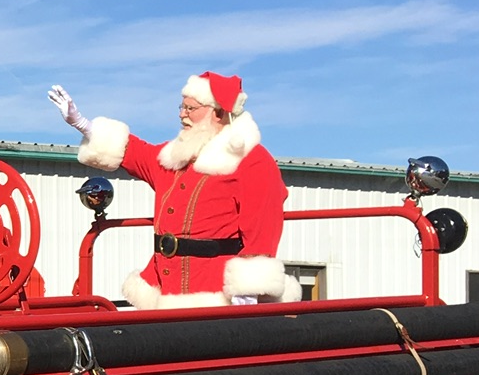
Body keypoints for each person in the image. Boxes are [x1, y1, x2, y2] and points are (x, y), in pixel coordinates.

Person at [50, 72, 295, 309]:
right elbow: (136, 153)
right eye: (181, 107)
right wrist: (83, 125)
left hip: (215, 295)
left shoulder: (252, 160)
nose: (182, 115)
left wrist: (247, 297)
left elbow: (263, 229)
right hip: (165, 288)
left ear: (218, 112)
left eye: (190, 109)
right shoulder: (176, 159)